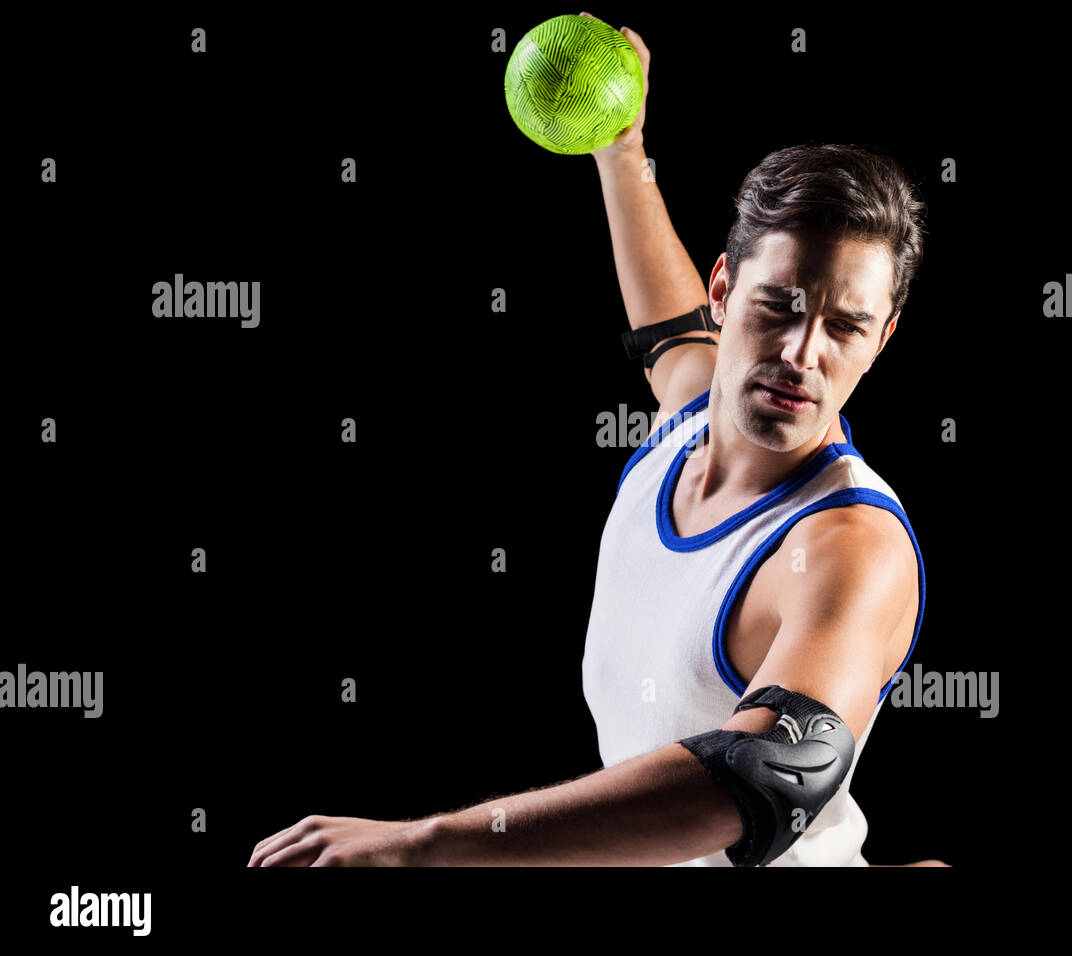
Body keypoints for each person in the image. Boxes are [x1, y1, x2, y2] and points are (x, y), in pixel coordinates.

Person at [247, 15, 945, 868]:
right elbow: (668, 330)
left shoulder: (847, 544)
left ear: (884, 341)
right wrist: (621, 151)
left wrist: (428, 842)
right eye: (779, 305)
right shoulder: (690, 417)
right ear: (725, 290)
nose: (802, 356)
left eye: (846, 327)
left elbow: (767, 778)